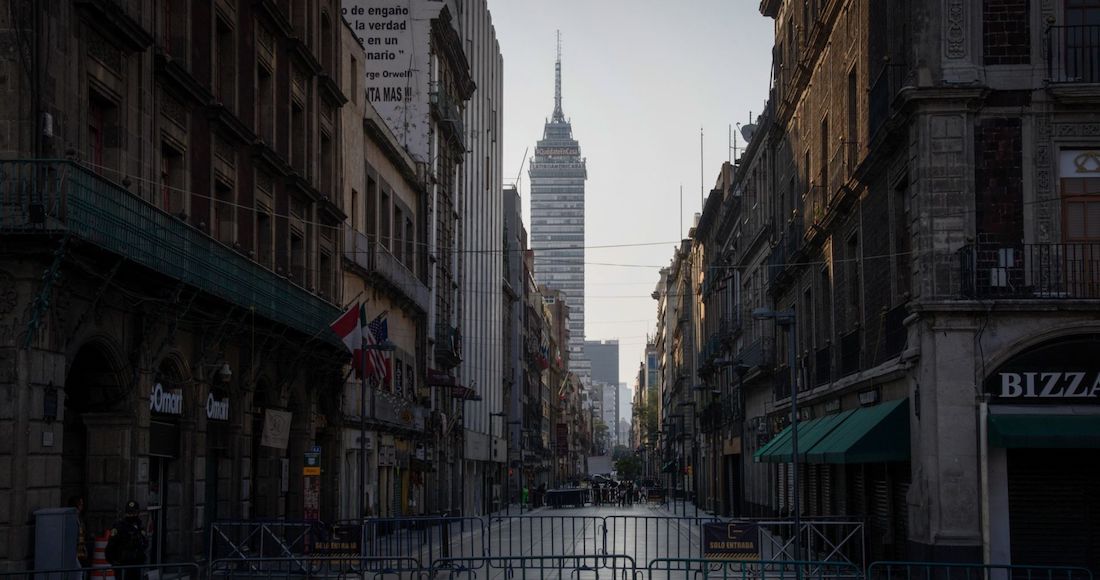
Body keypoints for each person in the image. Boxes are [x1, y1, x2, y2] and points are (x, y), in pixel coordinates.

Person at [105, 500, 147, 580]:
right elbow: (111, 546)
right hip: (123, 565)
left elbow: (145, 543)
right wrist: (114, 562)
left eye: (134, 513)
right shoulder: (119, 526)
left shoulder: (139, 526)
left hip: (137, 565)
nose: (132, 515)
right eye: (129, 513)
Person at [68, 495, 89, 568]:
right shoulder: (71, 519)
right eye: (80, 505)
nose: (82, 507)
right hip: (74, 554)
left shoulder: (79, 519)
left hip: (80, 554)